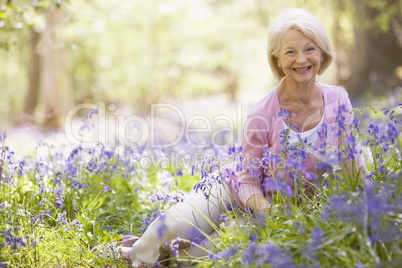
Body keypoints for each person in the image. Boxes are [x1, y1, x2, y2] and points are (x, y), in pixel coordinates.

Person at [121, 7, 368, 267]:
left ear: (322, 52)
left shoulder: (337, 100)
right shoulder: (263, 112)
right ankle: (136, 255)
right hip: (236, 189)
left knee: (204, 256)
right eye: (290, 51)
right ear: (277, 58)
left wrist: (371, 205)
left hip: (280, 210)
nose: (301, 59)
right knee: (173, 226)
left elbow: (353, 158)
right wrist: (267, 212)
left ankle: (165, 258)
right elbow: (248, 180)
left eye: (309, 49)